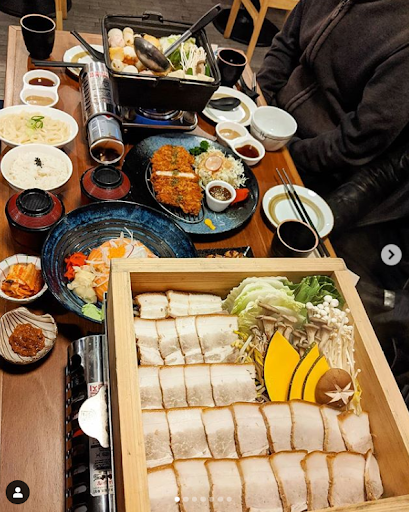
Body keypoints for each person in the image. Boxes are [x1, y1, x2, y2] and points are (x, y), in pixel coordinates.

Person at [257, 0, 409, 203]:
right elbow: (285, 45)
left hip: (314, 162)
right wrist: (259, 99)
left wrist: (289, 151)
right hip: (269, 115)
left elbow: (360, 139)